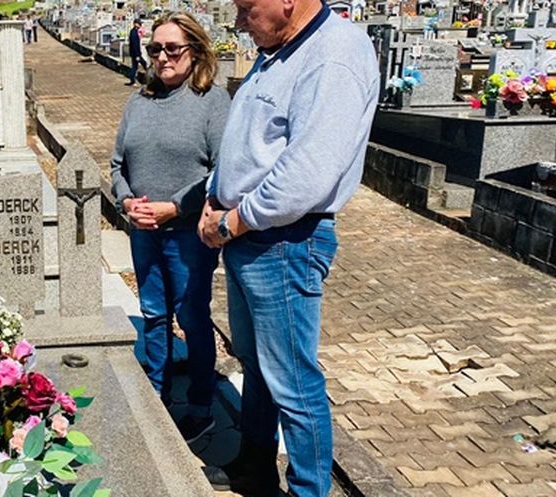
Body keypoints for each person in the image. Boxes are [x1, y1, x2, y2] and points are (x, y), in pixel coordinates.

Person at [198, 0, 379, 494]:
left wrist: (232, 222)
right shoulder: (279, 50)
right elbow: (248, 142)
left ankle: (307, 489)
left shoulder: (334, 54)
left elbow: (307, 172)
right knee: (257, 366)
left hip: (283, 239)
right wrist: (215, 194)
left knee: (294, 381)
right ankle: (254, 465)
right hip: (250, 235)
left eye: (245, 8)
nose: (238, 21)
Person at [110, 12, 230, 444]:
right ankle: (157, 395)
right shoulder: (139, 103)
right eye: (155, 48)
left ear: (195, 51)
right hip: (144, 229)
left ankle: (200, 406)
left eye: (172, 48)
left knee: (191, 317)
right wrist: (127, 201)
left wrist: (175, 208)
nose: (162, 57)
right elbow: (117, 165)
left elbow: (221, 171)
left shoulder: (212, 102)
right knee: (154, 314)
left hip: (187, 234)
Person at [126, 18, 147, 86]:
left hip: (135, 53)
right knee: (137, 66)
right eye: (139, 24)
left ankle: (133, 80)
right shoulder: (134, 32)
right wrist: (137, 55)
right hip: (136, 53)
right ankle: (133, 80)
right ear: (135, 24)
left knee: (138, 65)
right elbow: (135, 44)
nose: (140, 25)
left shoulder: (134, 31)